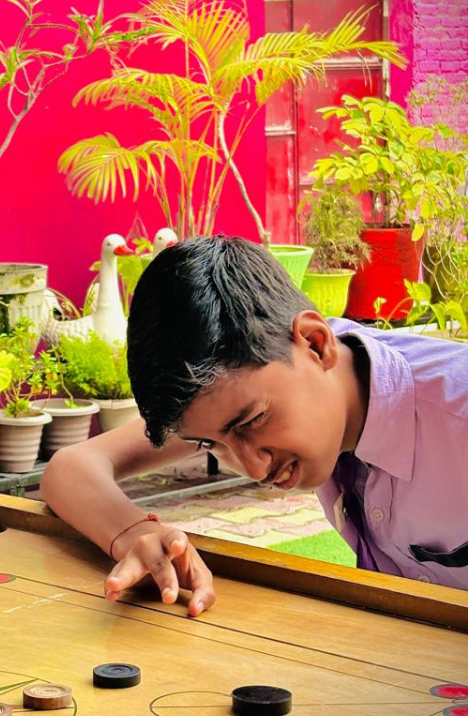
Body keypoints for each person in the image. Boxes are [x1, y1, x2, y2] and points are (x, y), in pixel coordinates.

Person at [41, 235, 468, 616]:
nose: (254, 468)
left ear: (316, 343)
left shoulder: (457, 419)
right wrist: (137, 532)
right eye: (209, 444)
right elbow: (73, 467)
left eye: (252, 421)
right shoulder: (272, 367)